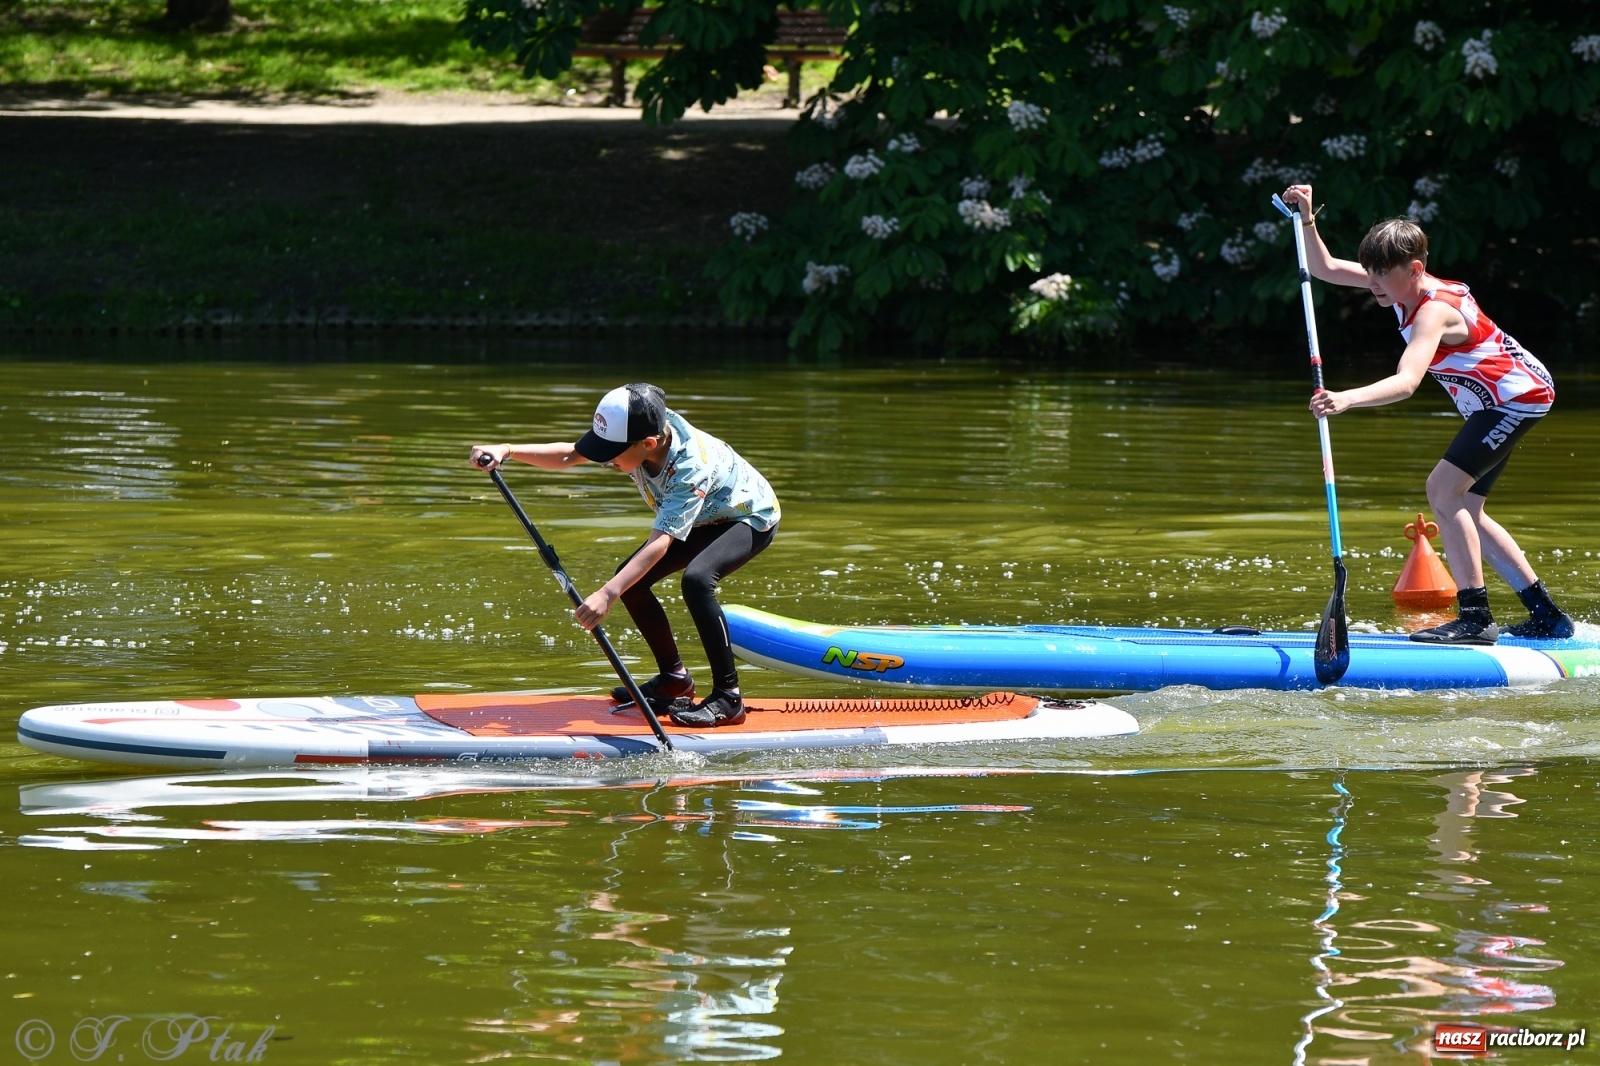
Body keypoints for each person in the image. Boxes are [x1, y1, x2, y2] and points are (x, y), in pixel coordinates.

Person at [1280, 184, 1574, 645]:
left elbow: (1407, 382)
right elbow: (1326, 268)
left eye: (1381, 276)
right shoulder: (1399, 286)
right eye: (1371, 274)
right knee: (1467, 509)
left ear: (1414, 269)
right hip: (1506, 398)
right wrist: (1307, 218)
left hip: (1514, 399)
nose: (1372, 284)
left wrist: (1347, 398)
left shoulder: (1431, 312)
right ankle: (1548, 617)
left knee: (1441, 489)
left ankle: (1476, 619)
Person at [471, 383, 780, 725]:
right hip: (704, 515)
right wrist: (507, 449)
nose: (606, 459)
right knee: (631, 580)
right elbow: (570, 455)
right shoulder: (639, 430)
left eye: (612, 453)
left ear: (648, 445)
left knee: (696, 580)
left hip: (747, 515)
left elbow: (660, 543)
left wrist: (608, 593)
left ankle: (728, 698)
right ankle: (675, 680)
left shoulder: (689, 467)